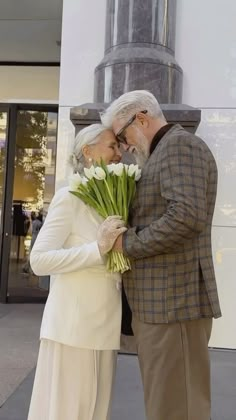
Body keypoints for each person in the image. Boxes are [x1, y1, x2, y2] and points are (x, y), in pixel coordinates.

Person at [101, 90, 221, 420]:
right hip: (163, 306)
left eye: (123, 137)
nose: (124, 148)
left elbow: (185, 216)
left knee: (176, 407)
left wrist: (128, 244)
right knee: (167, 404)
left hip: (174, 305)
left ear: (141, 118)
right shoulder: (164, 152)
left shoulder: (179, 146)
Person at [27, 124, 125, 420]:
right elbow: (39, 260)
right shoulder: (70, 196)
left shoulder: (110, 198)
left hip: (105, 329)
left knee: (96, 412)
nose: (119, 154)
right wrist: (97, 249)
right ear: (88, 152)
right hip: (72, 330)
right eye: (111, 146)